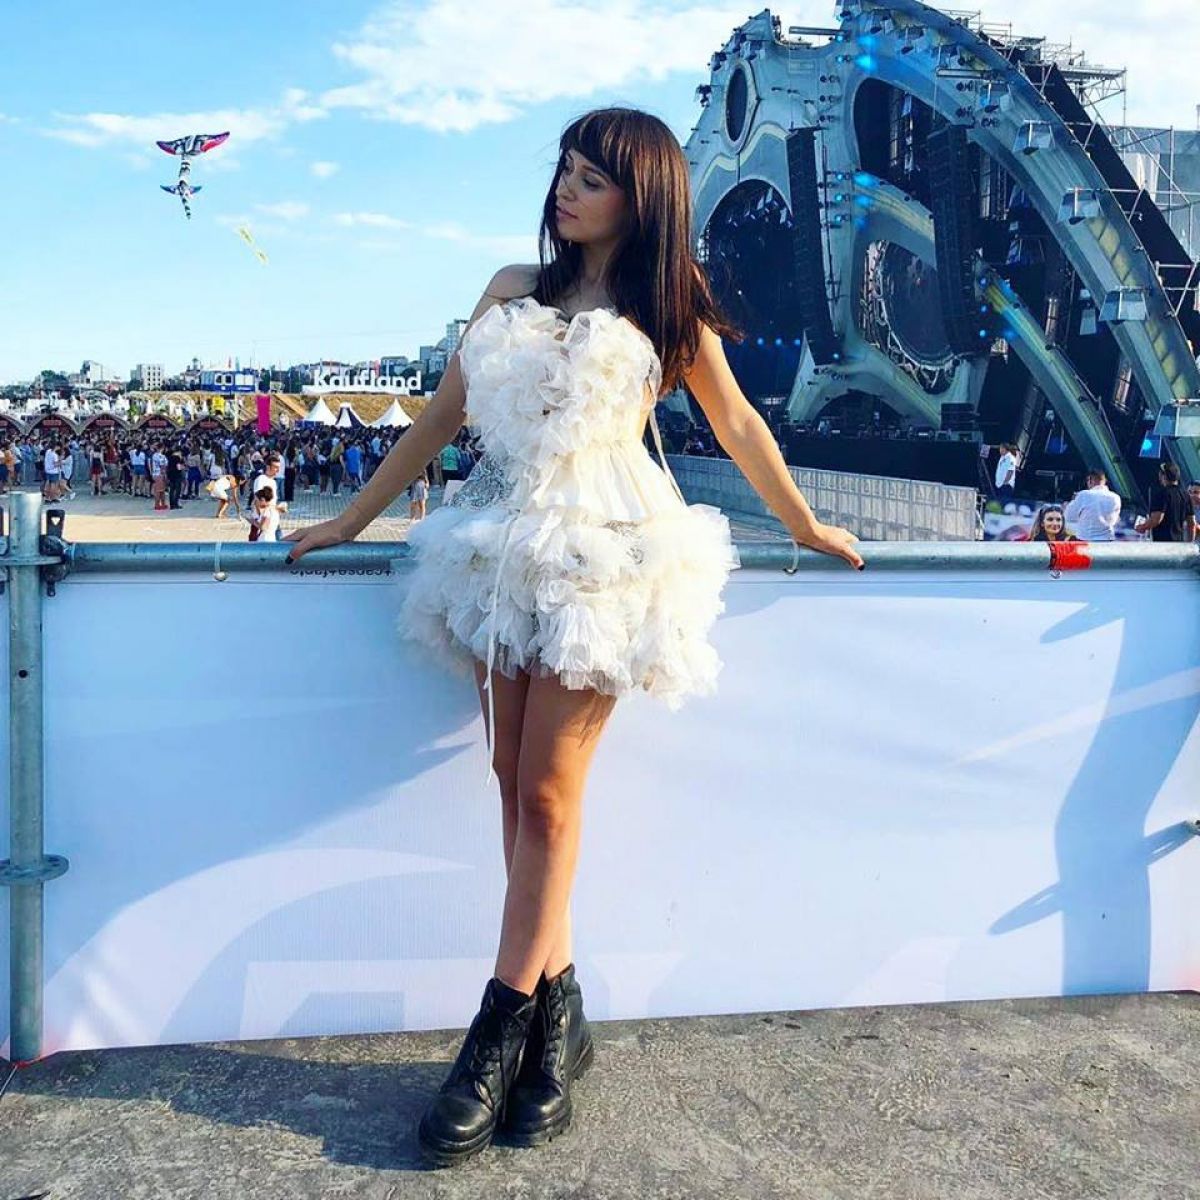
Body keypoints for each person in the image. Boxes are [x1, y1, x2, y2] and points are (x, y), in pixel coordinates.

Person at [283, 107, 864, 1168]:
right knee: (512, 780)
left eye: (593, 178)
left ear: (642, 198)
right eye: (566, 169)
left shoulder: (667, 306)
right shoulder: (512, 288)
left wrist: (803, 525)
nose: (568, 189)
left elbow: (737, 422)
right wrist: (349, 521)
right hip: (501, 546)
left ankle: (498, 1027)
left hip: (608, 551)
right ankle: (560, 1020)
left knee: (548, 793)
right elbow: (440, 418)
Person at [1135, 460, 1195, 542]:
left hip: (1163, 543)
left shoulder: (1161, 494)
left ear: (1163, 476)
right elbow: (1191, 523)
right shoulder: (1186, 495)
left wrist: (1142, 527)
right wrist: (1190, 543)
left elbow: (1156, 519)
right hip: (1179, 543)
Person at [1064, 469, 1121, 541]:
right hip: (1108, 539)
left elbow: (1069, 517)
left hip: (1086, 540)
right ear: (1104, 481)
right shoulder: (1116, 497)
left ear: (1090, 480)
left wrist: (1072, 502)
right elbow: (1115, 520)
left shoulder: (1084, 495)